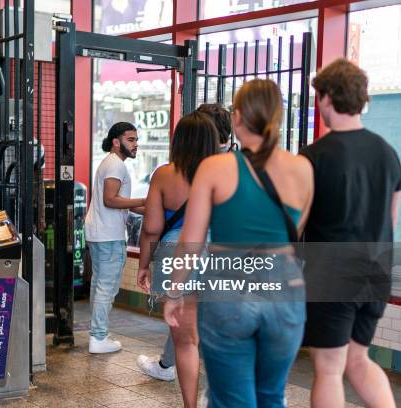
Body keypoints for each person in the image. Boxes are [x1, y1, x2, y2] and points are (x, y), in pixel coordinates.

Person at [165, 79, 314, 407]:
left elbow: (191, 241)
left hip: (229, 291)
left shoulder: (215, 168)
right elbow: (294, 235)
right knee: (271, 396)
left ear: (237, 117)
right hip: (285, 292)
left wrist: (175, 291)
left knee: (232, 399)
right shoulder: (302, 168)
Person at [300, 58, 399, 408]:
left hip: (332, 274)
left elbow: (297, 223)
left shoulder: (314, 157)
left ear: (327, 98)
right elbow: (390, 218)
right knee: (358, 360)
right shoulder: (388, 154)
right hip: (375, 273)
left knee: (328, 370)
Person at [135, 104, 231, 386]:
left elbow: (151, 229)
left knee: (185, 319)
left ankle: (170, 368)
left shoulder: (166, 174)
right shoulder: (233, 169)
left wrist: (143, 264)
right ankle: (169, 366)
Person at [85, 122, 145, 354]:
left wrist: (150, 208)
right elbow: (111, 200)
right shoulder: (115, 165)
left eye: (136, 140)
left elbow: (120, 203)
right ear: (116, 142)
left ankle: (97, 333)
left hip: (100, 233)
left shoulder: (110, 164)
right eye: (131, 140)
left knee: (99, 284)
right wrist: (143, 201)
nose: (135, 144)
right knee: (106, 288)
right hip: (108, 234)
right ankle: (99, 338)